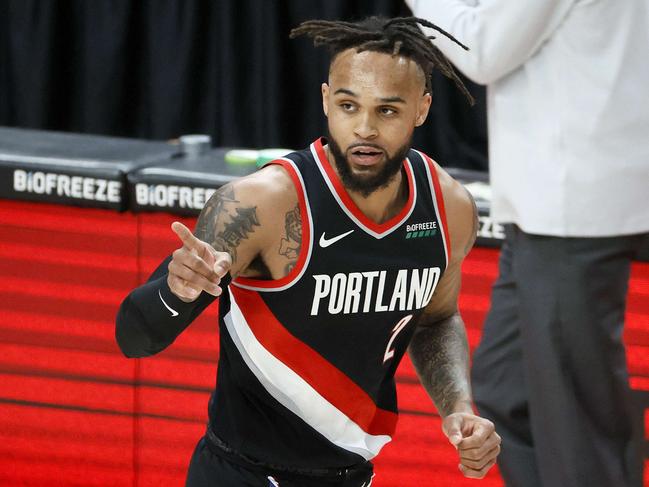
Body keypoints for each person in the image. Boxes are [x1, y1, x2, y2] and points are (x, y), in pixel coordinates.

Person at [116, 16, 501, 486]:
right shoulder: (263, 204)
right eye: (348, 105)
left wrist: (458, 408)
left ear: (421, 109)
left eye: (387, 111)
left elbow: (437, 318)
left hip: (351, 476)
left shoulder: (449, 208)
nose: (364, 128)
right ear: (325, 101)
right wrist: (175, 293)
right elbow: (133, 339)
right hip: (242, 475)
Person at [405, 1, 649, 486]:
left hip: (569, 204)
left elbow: (483, 49)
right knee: (505, 391)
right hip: (551, 203)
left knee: (573, 417)